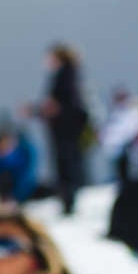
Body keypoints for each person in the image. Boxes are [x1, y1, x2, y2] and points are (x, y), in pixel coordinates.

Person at [39, 43, 91, 216]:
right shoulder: (68, 76)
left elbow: (70, 106)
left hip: (66, 132)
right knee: (66, 166)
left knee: (67, 166)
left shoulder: (67, 76)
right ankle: (67, 201)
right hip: (64, 130)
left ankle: (69, 203)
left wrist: (54, 109)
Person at [98, 87, 138, 185]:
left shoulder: (134, 112)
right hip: (117, 153)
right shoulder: (115, 114)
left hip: (131, 153)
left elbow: (133, 131)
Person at [0, 123, 39, 205]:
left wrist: (16, 197)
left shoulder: (23, 157)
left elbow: (27, 179)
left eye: (4, 146)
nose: (1, 151)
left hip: (24, 195)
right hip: (3, 195)